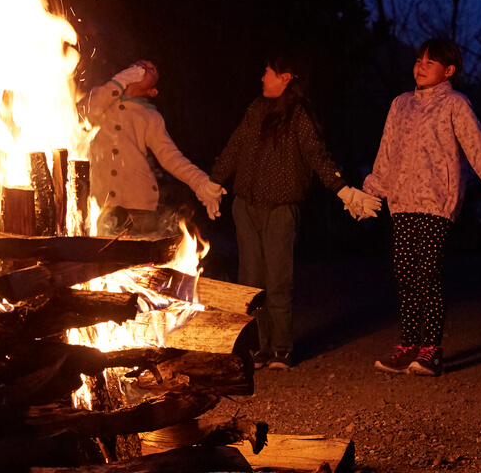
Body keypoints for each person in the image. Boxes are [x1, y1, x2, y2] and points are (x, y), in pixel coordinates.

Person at [363, 38, 481, 377]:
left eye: (429, 62)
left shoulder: (456, 103)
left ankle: (430, 350)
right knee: (405, 273)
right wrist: (372, 190)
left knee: (427, 272)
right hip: (402, 200)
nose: (420, 67)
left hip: (437, 201)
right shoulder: (400, 104)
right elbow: (387, 150)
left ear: (448, 70)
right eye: (418, 60)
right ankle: (408, 346)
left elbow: (476, 146)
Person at [209, 54, 382, 371]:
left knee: (278, 279)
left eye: (268, 72)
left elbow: (318, 157)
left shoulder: (299, 116)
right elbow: (235, 146)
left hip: (281, 208)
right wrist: (212, 183)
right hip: (246, 205)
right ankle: (259, 346)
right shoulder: (256, 109)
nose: (262, 78)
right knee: (249, 280)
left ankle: (281, 349)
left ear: (286, 78)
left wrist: (343, 189)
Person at [87, 61, 225, 237]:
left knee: (136, 261)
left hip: (138, 207)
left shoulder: (151, 116)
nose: (142, 67)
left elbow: (171, 157)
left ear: (152, 91)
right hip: (99, 205)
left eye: (151, 69)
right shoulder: (102, 99)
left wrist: (200, 182)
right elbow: (81, 114)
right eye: (138, 64)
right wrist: (117, 82)